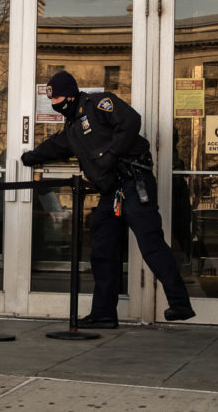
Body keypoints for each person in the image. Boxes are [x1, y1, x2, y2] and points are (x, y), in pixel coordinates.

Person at [21, 70, 195, 328]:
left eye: (58, 100)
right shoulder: (71, 129)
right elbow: (55, 146)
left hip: (134, 183)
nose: (56, 106)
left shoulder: (99, 103)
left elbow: (131, 121)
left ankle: (179, 302)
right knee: (102, 249)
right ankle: (103, 313)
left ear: (70, 95)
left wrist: (109, 155)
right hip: (111, 192)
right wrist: (30, 157)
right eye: (52, 102)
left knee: (150, 243)